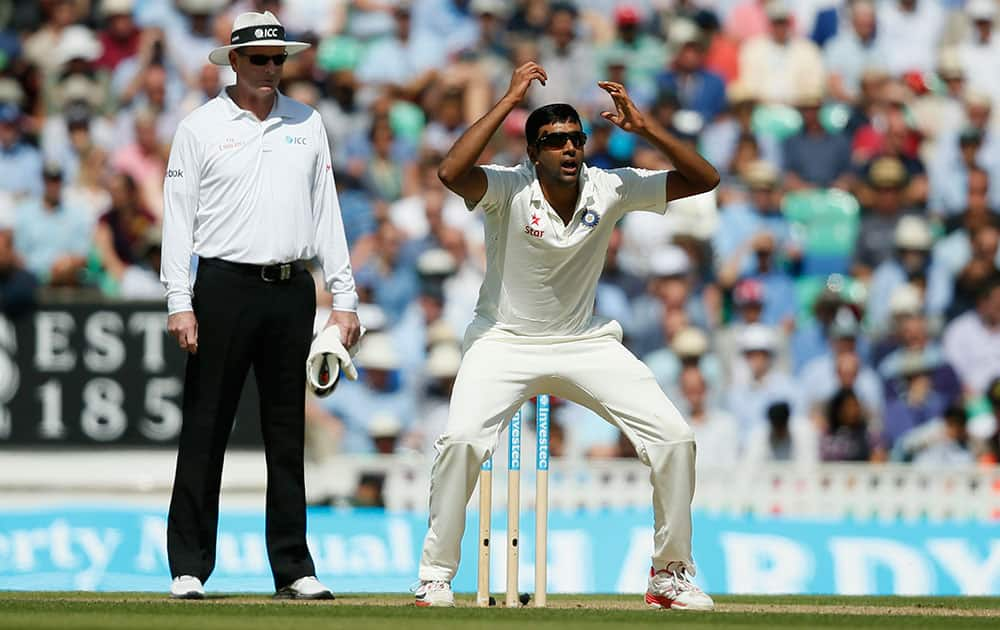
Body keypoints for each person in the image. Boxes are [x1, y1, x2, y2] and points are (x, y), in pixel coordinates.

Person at [413, 62, 719, 610]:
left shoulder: (611, 186)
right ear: (533, 153)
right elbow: (452, 172)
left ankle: (669, 574)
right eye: (554, 141)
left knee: (674, 439)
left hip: (585, 341)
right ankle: (436, 573)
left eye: (576, 139)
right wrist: (508, 100)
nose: (570, 149)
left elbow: (704, 179)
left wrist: (646, 130)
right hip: (502, 342)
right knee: (460, 442)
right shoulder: (508, 188)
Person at [160, 11, 361, 601]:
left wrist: (343, 298)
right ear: (235, 62)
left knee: (285, 433)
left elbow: (327, 212)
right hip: (222, 286)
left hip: (291, 288)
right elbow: (178, 218)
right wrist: (180, 299)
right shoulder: (199, 127)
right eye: (260, 59)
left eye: (279, 59)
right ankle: (189, 567)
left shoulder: (307, 122)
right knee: (206, 427)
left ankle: (293, 568)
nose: (272, 68)